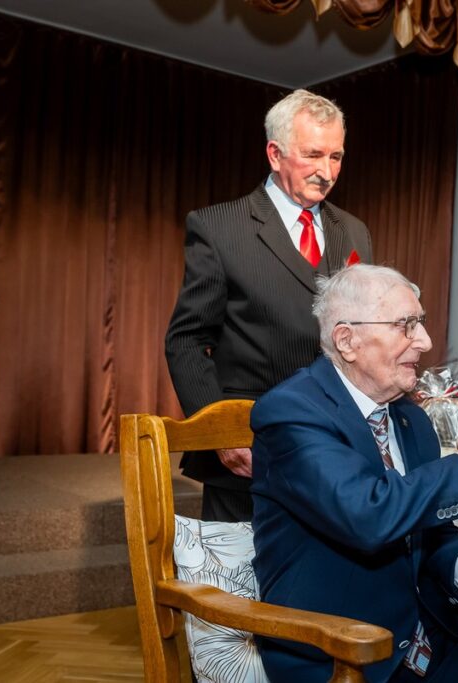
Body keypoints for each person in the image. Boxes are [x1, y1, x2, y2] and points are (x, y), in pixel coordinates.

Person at [249, 264, 458, 682]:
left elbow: (432, 533)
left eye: (421, 324)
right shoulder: (291, 412)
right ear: (347, 340)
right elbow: (368, 516)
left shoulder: (411, 418)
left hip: (441, 642)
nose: (425, 342)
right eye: (406, 325)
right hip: (347, 654)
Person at [165, 89, 371, 522]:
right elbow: (186, 340)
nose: (327, 171)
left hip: (337, 451)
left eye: (336, 157)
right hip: (248, 454)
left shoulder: (354, 232)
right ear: (275, 154)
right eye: (313, 155)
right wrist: (219, 434)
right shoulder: (219, 227)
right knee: (241, 590)